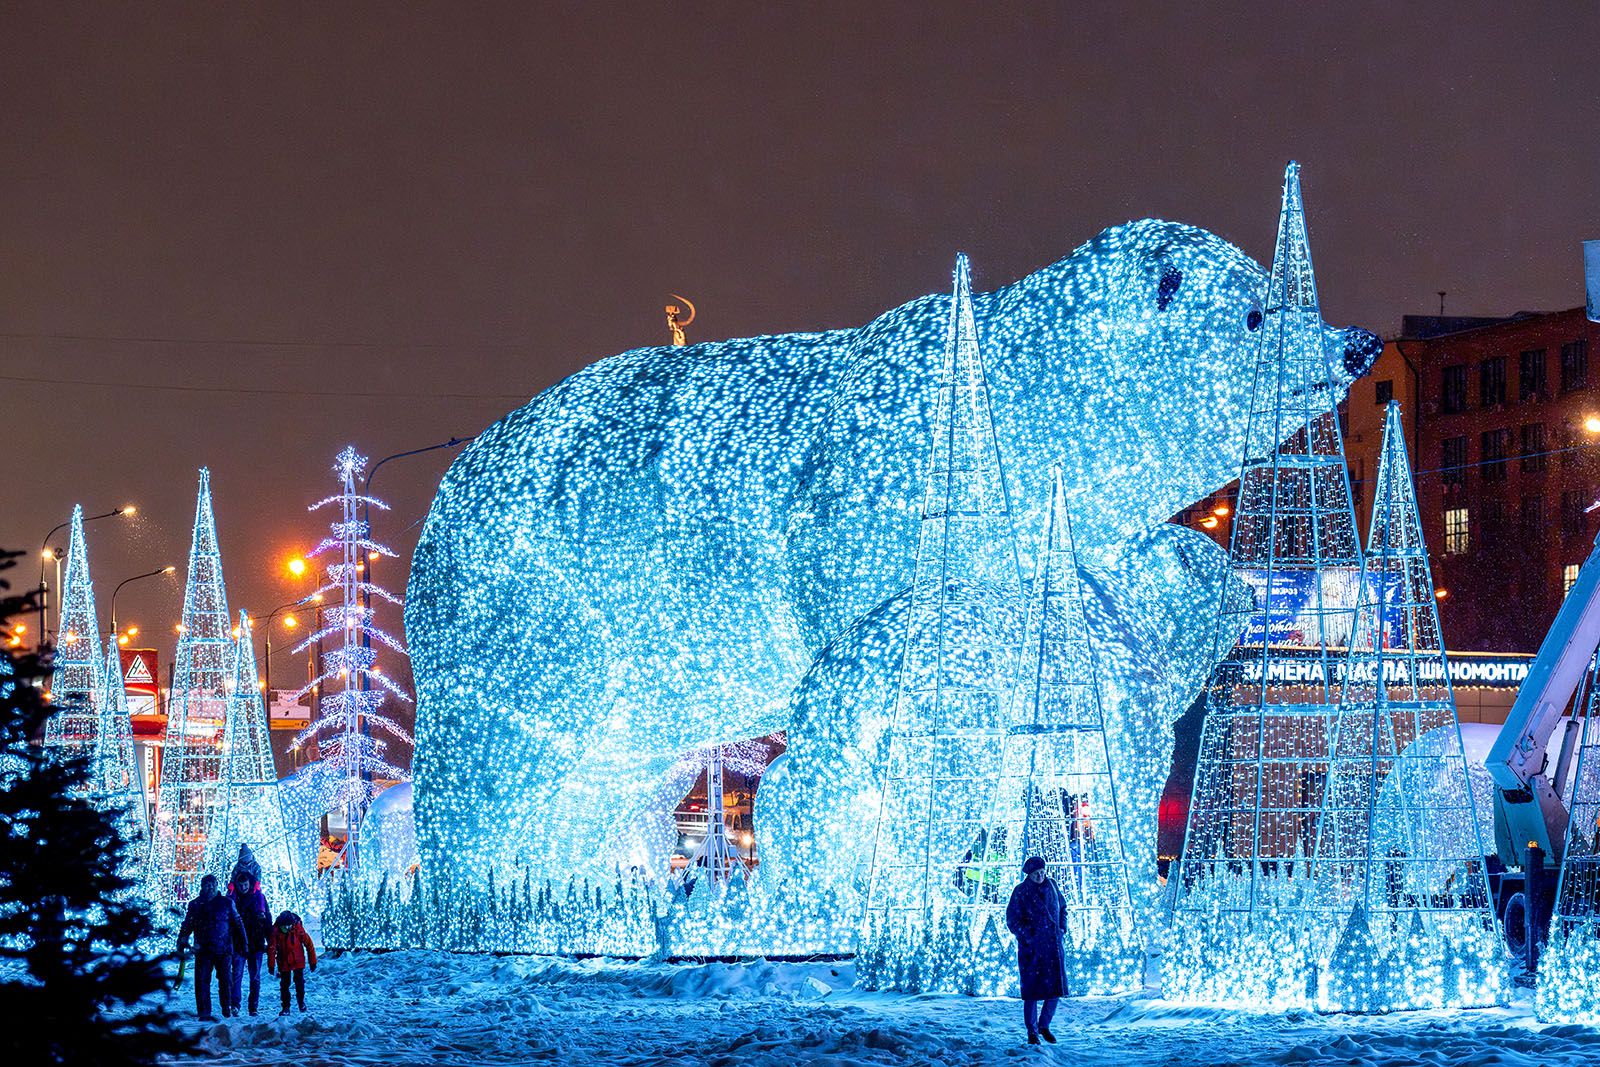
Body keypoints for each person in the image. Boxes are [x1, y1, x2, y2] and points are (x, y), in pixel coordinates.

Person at [1005, 855, 1069, 1046]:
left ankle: (1044, 1026)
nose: (1041, 876)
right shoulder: (1020, 892)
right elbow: (1012, 919)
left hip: (1053, 948)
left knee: (1055, 990)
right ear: (1029, 875)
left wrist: (1062, 927)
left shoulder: (1052, 886)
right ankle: (1032, 1030)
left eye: (1042, 872)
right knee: (1032, 993)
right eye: (1036, 874)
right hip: (1032, 951)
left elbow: (1063, 908)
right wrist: (1028, 936)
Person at [176, 874, 247, 1021]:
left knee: (226, 980)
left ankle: (226, 1007)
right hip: (202, 950)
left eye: (212, 885)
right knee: (202, 982)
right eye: (207, 885)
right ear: (202, 887)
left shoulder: (227, 903)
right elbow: (187, 924)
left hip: (224, 949)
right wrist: (182, 940)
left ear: (216, 885)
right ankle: (204, 1012)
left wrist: (244, 942)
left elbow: (238, 922)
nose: (210, 888)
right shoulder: (195, 905)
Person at [228, 870, 273, 1016]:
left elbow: (267, 919)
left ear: (250, 883)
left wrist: (270, 939)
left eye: (245, 884)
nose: (243, 887)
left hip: (256, 941)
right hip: (238, 942)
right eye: (240, 885)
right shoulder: (232, 899)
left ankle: (253, 1006)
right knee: (237, 975)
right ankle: (235, 1004)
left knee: (255, 976)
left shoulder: (259, 898)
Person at [267, 909, 317, 1015]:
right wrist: (271, 965)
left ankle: (301, 1002)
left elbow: (309, 944)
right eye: (285, 926)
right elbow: (272, 949)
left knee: (299, 983)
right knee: (285, 985)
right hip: (284, 961)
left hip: (298, 960)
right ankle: (286, 1007)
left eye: (289, 926)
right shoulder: (276, 932)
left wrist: (312, 961)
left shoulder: (298, 929)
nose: (287, 928)